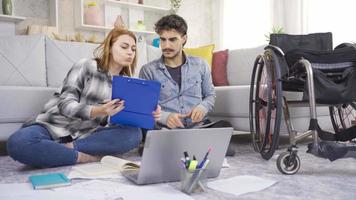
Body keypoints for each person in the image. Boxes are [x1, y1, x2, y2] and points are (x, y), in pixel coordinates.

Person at [6, 28, 161, 168]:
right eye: (124, 46)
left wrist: (149, 113)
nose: (130, 53)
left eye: (133, 49)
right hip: (53, 126)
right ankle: (82, 157)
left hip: (87, 135)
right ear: (109, 47)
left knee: (134, 134)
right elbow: (64, 104)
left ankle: (63, 150)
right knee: (18, 143)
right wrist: (99, 110)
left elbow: (119, 123)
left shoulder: (127, 84)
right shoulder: (86, 66)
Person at [139, 14, 235, 156]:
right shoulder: (148, 70)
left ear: (184, 39)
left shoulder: (201, 65)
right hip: (166, 129)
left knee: (225, 129)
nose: (166, 45)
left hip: (198, 127)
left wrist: (202, 108)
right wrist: (166, 117)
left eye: (172, 40)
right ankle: (190, 147)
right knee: (147, 131)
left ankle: (173, 148)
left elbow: (210, 95)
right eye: (163, 40)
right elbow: (144, 107)